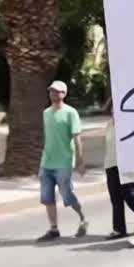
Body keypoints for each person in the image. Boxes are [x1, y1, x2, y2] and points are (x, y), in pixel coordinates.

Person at [37, 80, 88, 242]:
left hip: (64, 162)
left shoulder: (71, 113)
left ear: (64, 94)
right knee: (47, 197)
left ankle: (83, 219)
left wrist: (80, 161)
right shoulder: (46, 113)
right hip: (46, 162)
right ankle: (54, 229)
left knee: (67, 195)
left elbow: (77, 138)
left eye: (57, 91)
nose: (53, 94)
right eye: (51, 91)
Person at [104, 112, 134, 239]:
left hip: (127, 164)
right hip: (110, 164)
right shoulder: (109, 124)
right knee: (115, 198)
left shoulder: (129, 122)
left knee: (131, 196)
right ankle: (119, 229)